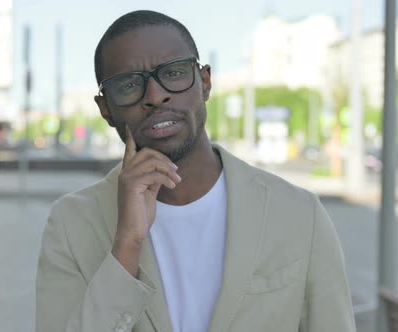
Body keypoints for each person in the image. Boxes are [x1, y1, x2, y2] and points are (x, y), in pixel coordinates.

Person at [36, 10, 356, 332]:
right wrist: (127, 244)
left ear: (204, 83)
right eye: (129, 84)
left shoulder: (299, 213)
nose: (155, 96)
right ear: (105, 109)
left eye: (173, 73)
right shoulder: (70, 224)